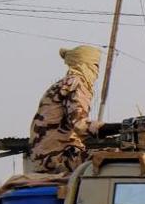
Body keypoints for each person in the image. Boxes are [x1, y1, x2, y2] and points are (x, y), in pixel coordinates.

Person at [28, 45, 104, 175]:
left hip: (44, 157)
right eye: (95, 65)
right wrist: (119, 128)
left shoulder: (63, 84)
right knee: (114, 158)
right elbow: (80, 125)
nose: (97, 71)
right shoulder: (76, 83)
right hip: (57, 157)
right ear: (84, 64)